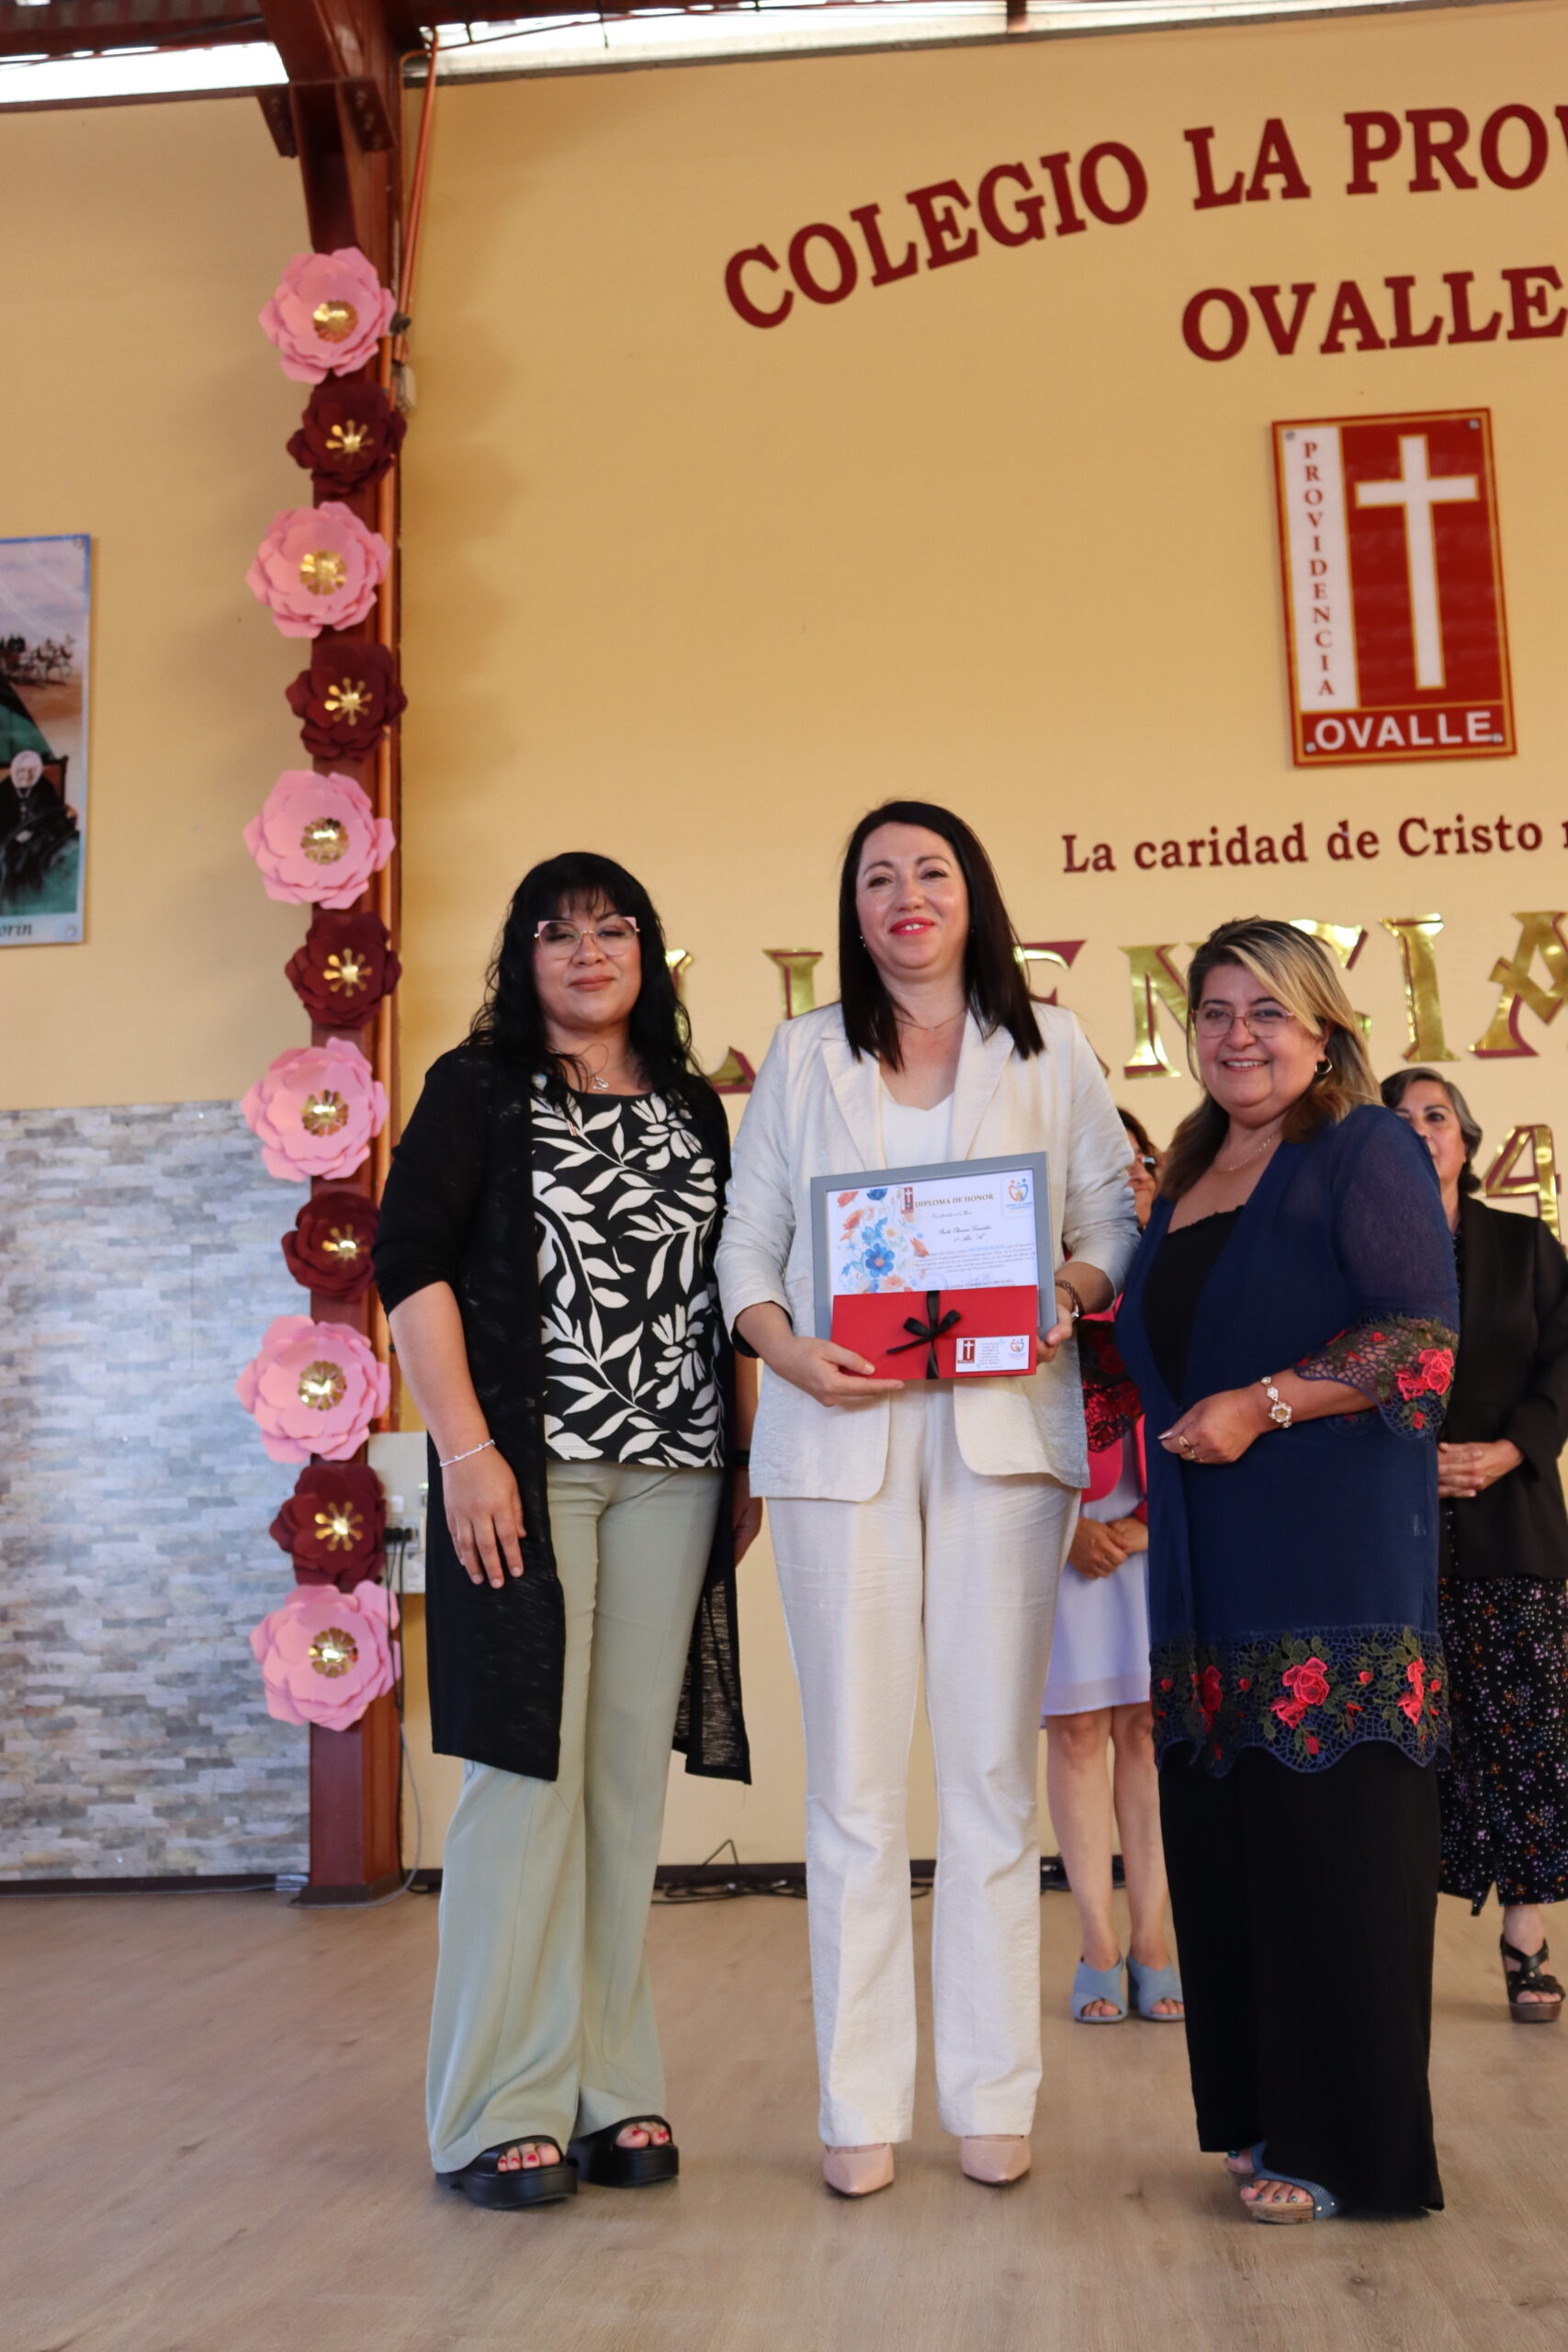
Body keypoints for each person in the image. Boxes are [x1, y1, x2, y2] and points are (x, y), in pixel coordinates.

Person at [716, 799, 1139, 2197]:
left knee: (988, 1781)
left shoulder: (1050, 1044)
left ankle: (989, 2091)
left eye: (932, 871)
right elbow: (747, 1246)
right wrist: (786, 1349)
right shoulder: (801, 1053)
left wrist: (1064, 1291)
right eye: (878, 877)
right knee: (848, 1786)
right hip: (837, 1438)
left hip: (1000, 1439)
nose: (906, 894)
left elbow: (1109, 1218)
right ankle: (856, 2107)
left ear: (973, 896)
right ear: (853, 910)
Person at [375, 852, 759, 2211]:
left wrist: (747, 1454)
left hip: (676, 1471)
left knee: (620, 1780)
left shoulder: (694, 1105)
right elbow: (409, 1264)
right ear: (522, 956)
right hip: (524, 1471)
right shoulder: (478, 1086)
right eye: (557, 930)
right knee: (521, 1774)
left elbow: (728, 1287)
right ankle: (495, 2104)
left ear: (647, 952)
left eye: (613, 928)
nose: (587, 951)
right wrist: (466, 1453)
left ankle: (608, 2087)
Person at [1114, 918, 1458, 2224]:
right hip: (1208, 1574)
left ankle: (1351, 2149)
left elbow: (1418, 1338)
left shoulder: (1361, 1146)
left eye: (1266, 1010)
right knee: (1232, 1855)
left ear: (1323, 1030)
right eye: (1213, 1011)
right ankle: (1266, 2117)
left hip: (1331, 1572)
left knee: (1334, 1861)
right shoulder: (1189, 1170)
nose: (1237, 1035)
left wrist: (1264, 1404)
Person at [1382, 1067, 1568, 2022]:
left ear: (1466, 1139)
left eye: (1435, 1115)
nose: (1419, 1130)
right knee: (1410, 1747)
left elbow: (1562, 1367)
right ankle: (1398, 1943)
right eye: (1397, 1119)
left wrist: (1506, 1451)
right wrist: (1409, 1463)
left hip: (1513, 1522)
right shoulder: (1358, 1249)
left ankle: (1525, 1937)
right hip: (1393, 1529)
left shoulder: (1527, 1247)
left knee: (1526, 1736)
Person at [1043, 1107, 1183, 2024]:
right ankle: (1097, 1941)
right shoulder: (1039, 1274)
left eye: (1139, 1161)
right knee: (1075, 1734)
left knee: (1147, 1732)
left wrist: (1144, 1528)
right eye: (1109, 1163)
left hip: (1153, 1527)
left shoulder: (1182, 1265)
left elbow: (1210, 1390)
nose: (1128, 1175)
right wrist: (1065, 1529)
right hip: (1054, 1530)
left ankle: (1154, 1939)